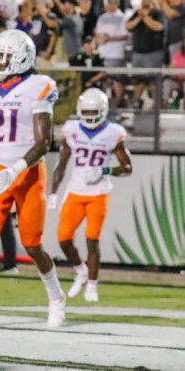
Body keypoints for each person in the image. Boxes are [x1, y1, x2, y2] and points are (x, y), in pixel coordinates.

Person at [0, 29, 66, 328]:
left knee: (32, 244)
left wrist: (15, 170)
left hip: (29, 172)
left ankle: (56, 297)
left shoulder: (40, 85)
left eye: (4, 56)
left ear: (22, 57)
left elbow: (45, 142)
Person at [49, 88, 132, 302]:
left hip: (99, 192)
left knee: (92, 239)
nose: (88, 117)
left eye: (92, 112)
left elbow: (127, 167)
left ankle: (92, 285)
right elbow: (61, 164)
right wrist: (54, 191)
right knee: (63, 238)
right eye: (85, 112)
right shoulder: (72, 129)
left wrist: (105, 170)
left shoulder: (113, 132)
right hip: (75, 191)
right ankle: (81, 270)